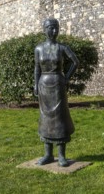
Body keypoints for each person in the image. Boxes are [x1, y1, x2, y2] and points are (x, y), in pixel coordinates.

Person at [34, 18, 79, 167]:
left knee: (60, 118)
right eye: (50, 28)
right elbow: (37, 69)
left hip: (58, 85)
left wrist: (66, 78)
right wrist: (35, 85)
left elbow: (75, 61)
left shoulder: (62, 48)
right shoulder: (39, 49)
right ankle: (48, 154)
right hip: (43, 86)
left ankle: (61, 156)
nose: (54, 31)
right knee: (45, 118)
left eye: (56, 28)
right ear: (44, 29)